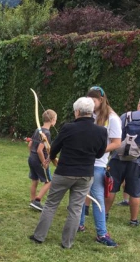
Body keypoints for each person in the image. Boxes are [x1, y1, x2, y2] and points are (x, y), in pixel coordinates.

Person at [30, 97, 107, 249]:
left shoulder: (68, 128)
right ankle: (67, 243)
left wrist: (49, 158)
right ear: (90, 112)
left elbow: (55, 147)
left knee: (51, 204)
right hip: (85, 175)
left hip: (64, 172)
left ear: (77, 112)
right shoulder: (101, 131)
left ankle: (39, 237)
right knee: (76, 209)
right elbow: (99, 154)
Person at [78, 86, 120, 246]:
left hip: (98, 164)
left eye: (93, 100)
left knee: (97, 200)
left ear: (101, 100)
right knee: (80, 195)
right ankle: (78, 224)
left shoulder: (112, 118)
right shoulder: (88, 114)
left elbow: (116, 143)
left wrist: (99, 151)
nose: (90, 103)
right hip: (83, 161)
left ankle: (102, 234)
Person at [105, 93, 140, 227]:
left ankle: (104, 214)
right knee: (135, 192)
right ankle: (133, 220)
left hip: (118, 157)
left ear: (139, 104)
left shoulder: (125, 116)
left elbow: (115, 134)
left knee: (111, 187)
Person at [28, 109, 58, 211]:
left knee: (34, 180)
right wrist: (44, 162)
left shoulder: (38, 130)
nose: (56, 121)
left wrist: (31, 156)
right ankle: (37, 201)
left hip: (31, 158)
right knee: (49, 181)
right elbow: (40, 150)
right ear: (52, 119)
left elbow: (30, 144)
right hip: (39, 160)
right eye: (56, 119)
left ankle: (32, 201)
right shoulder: (47, 133)